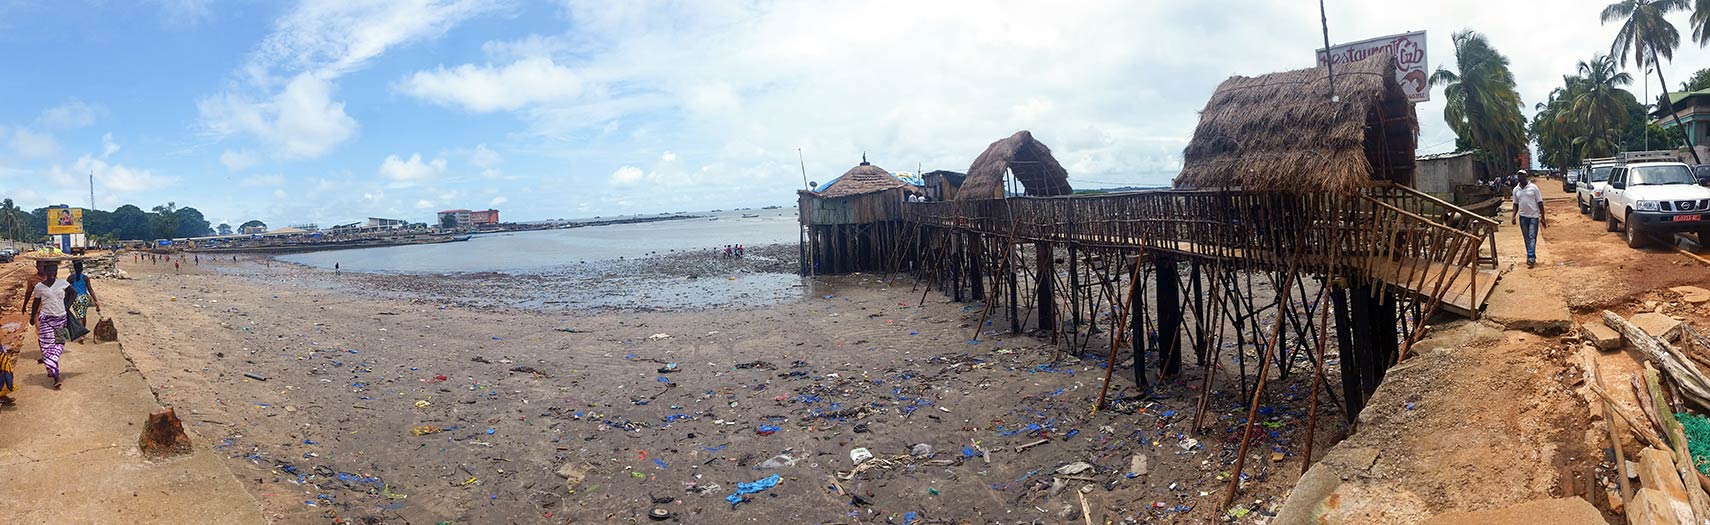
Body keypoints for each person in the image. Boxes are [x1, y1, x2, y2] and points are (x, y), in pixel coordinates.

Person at [21, 260, 72, 389]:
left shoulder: (63, 283)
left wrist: (66, 306)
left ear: (56, 271)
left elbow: (73, 293)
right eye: (49, 270)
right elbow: (36, 303)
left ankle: (50, 365)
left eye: (54, 270)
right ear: (45, 271)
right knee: (47, 346)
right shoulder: (39, 287)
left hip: (61, 319)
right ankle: (56, 376)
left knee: (59, 345)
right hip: (45, 320)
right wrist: (32, 317)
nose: (51, 273)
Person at [1510, 170, 1545, 268]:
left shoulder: (1534, 188)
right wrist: (1513, 216)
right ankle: (1530, 255)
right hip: (1523, 217)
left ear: (1526, 177)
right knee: (1526, 238)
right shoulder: (1516, 190)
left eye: (1522, 176)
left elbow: (1540, 203)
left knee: (1532, 237)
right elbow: (1515, 204)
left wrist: (1543, 217)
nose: (1521, 178)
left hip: (1533, 217)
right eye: (1519, 176)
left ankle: (1531, 257)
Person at [66, 260, 98, 342]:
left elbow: (66, 289)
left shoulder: (70, 278)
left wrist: (66, 299)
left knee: (79, 315)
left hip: (75, 298)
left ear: (74, 268)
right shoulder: (85, 278)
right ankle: (81, 334)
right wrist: (96, 300)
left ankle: (81, 333)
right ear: (82, 268)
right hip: (84, 298)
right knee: (83, 316)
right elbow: (90, 290)